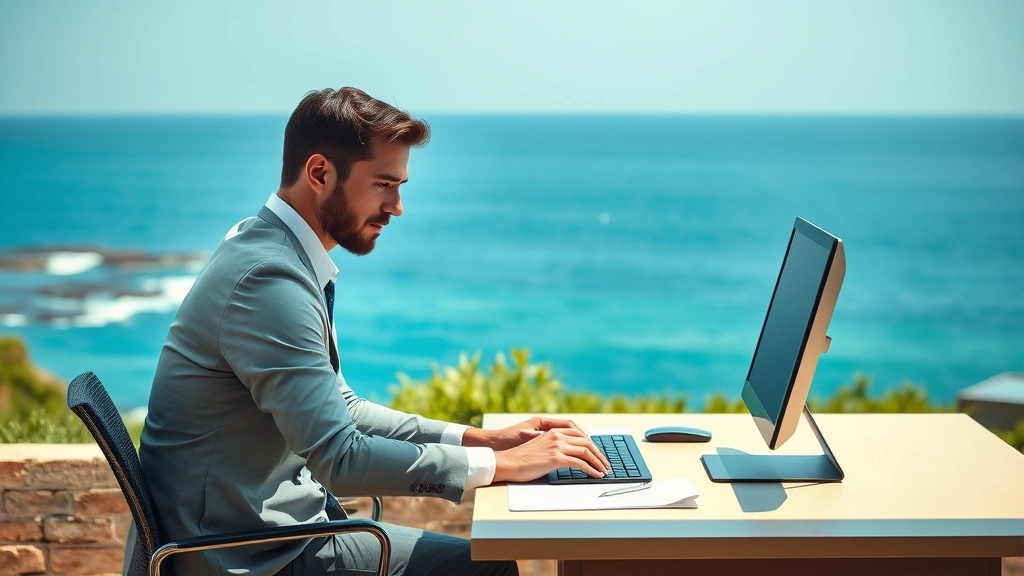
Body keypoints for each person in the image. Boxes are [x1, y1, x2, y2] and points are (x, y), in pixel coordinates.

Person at [131, 87, 611, 576]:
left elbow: (346, 411)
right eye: (383, 184)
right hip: (244, 556)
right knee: (487, 569)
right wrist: (501, 468)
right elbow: (340, 459)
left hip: (269, 534)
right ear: (320, 173)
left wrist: (483, 440)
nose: (397, 206)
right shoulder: (269, 280)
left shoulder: (272, 251)